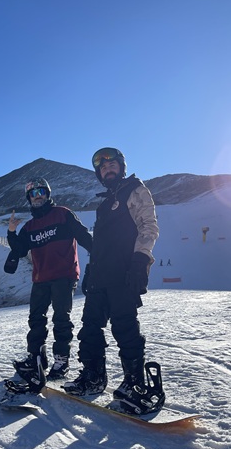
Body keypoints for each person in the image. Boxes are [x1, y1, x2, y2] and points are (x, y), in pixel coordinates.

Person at [64, 147, 165, 414]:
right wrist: (89, 272)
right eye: (103, 167)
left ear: (121, 166)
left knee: (125, 327)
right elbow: (100, 244)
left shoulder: (135, 190)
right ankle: (93, 376)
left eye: (112, 164)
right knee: (89, 328)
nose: (108, 169)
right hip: (99, 276)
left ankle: (135, 383)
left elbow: (148, 226)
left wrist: (140, 260)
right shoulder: (104, 204)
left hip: (123, 272)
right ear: (99, 173)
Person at [7, 178, 92, 380]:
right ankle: (36, 357)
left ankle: (61, 360)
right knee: (36, 319)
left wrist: (98, 256)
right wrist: (11, 231)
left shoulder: (63, 214)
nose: (38, 197)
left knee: (61, 318)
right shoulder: (29, 226)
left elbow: (84, 236)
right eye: (33, 194)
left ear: (48, 194)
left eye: (41, 192)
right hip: (40, 278)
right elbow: (19, 249)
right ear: (29, 198)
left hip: (64, 275)